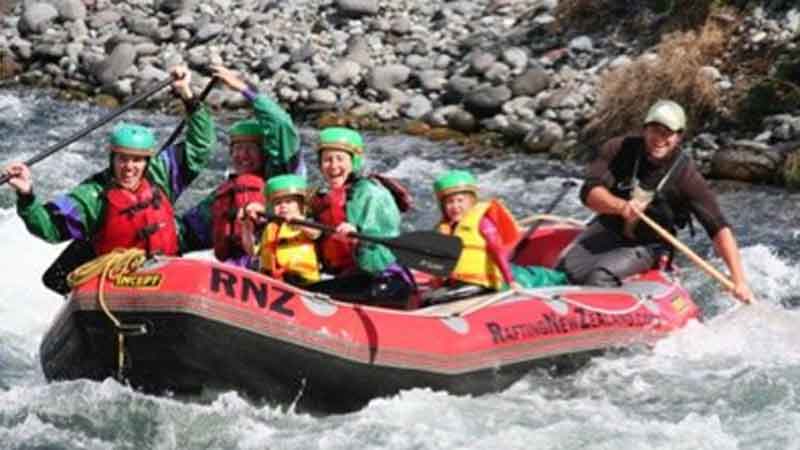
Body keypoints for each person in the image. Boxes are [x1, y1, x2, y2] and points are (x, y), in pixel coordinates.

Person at [2, 66, 216, 292]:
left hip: (164, 275)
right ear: (112, 158)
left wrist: (187, 95)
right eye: (123, 159)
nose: (129, 167)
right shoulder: (93, 195)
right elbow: (49, 228)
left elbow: (201, 146)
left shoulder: (161, 174)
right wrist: (26, 195)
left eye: (137, 160)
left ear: (146, 162)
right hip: (115, 283)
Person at [557, 99, 754, 303]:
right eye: (655, 130)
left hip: (649, 244)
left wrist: (739, 281)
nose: (659, 139)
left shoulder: (686, 176)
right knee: (565, 269)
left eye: (667, 133)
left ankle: (616, 308)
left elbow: (718, 227)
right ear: (645, 130)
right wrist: (621, 207)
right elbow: (589, 192)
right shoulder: (618, 149)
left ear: (678, 137)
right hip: (610, 227)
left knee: (598, 276)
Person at [181, 65, 303, 268]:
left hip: (272, 267)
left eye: (250, 149)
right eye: (237, 149)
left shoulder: (280, 179)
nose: (242, 156)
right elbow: (190, 229)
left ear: (264, 153)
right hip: (231, 270)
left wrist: (243, 89)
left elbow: (281, 125)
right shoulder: (226, 192)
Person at [305, 127, 414, 306]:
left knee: (311, 295)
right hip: (348, 275)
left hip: (382, 278)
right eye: (327, 160)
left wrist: (357, 237)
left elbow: (380, 245)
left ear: (354, 161)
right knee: (308, 289)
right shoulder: (321, 196)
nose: (333, 166)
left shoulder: (371, 193)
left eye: (340, 159)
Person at [432, 169, 567, 292]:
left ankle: (566, 280)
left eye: (460, 201)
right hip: (461, 280)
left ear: (472, 202)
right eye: (450, 202)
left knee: (542, 276)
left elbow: (498, 251)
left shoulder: (483, 222)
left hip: (494, 277)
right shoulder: (445, 229)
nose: (455, 206)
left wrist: (511, 281)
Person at [241, 174, 321, 286]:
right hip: (272, 280)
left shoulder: (307, 223)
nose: (283, 206)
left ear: (301, 206)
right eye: (278, 203)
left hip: (303, 280)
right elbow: (251, 251)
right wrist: (246, 228)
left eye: (289, 202)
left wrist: (299, 223)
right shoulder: (270, 228)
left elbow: (316, 233)